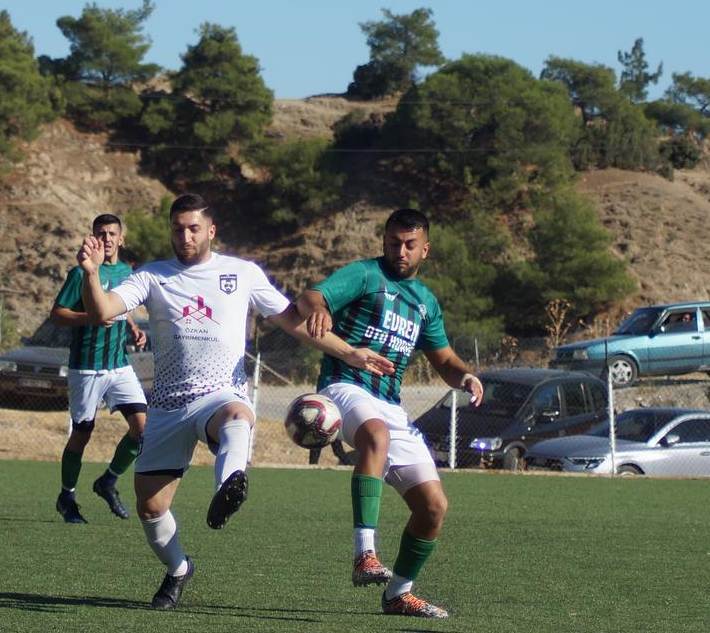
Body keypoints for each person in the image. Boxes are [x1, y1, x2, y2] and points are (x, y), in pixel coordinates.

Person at [77, 193, 393, 610]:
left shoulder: (242, 273)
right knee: (150, 508)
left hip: (219, 393)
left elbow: (292, 322)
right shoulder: (152, 276)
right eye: (178, 228)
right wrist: (91, 274)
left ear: (211, 231)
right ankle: (179, 569)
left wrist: (349, 352)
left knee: (237, 414)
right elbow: (102, 312)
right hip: (168, 405)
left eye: (193, 228)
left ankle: (230, 484)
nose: (185, 236)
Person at [295, 208, 485, 619]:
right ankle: (364, 554)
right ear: (383, 241)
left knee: (433, 507)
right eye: (394, 242)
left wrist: (466, 377)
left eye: (410, 244)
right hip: (344, 385)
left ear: (425, 249)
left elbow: (445, 360)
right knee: (375, 434)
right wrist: (319, 308)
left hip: (390, 403)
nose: (400, 251)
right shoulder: (366, 275)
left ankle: (398, 594)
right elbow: (310, 297)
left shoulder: (425, 302)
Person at [51, 214, 149, 524]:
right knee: (82, 435)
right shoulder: (80, 273)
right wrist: (89, 318)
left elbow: (120, 303)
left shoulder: (127, 273)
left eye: (112, 233)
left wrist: (132, 325)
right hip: (87, 368)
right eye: (101, 233)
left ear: (121, 239)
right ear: (93, 238)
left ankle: (108, 481)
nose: (106, 238)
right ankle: (67, 496)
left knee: (143, 429)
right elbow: (57, 314)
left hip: (119, 365)